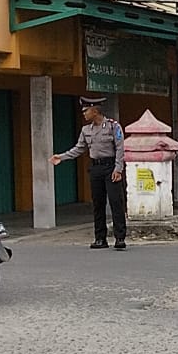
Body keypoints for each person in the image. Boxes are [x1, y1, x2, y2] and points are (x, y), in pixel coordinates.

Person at [50, 96, 127, 250]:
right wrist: (62, 157)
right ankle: (100, 238)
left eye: (86, 110)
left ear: (95, 111)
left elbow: (120, 148)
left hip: (111, 167)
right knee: (97, 204)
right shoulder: (86, 130)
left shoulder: (113, 126)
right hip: (96, 168)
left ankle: (119, 238)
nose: (84, 113)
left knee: (115, 202)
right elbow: (79, 148)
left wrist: (118, 169)